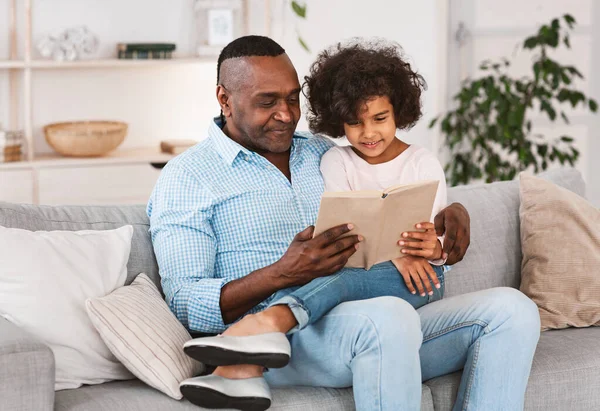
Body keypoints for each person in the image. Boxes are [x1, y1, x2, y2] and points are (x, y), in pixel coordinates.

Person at [147, 35, 540, 411]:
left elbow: (390, 200)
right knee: (389, 317)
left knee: (513, 310)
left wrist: (454, 212)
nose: (286, 115)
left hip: (373, 318)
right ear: (224, 100)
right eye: (268, 101)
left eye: (291, 99)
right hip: (290, 340)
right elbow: (185, 302)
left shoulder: (322, 152)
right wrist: (281, 273)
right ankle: (250, 349)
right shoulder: (188, 177)